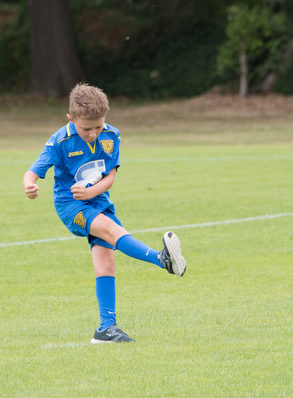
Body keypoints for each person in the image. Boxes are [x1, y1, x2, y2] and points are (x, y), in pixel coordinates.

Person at [23, 83, 186, 344]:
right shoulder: (59, 141)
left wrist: (91, 192)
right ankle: (161, 259)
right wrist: (29, 185)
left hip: (99, 201)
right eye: (86, 128)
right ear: (70, 119)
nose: (93, 133)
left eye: (98, 127)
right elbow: (33, 171)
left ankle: (106, 329)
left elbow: (110, 178)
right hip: (70, 205)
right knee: (112, 230)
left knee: (106, 262)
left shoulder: (112, 135)